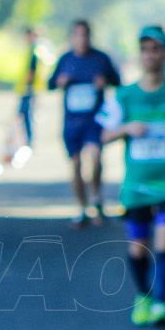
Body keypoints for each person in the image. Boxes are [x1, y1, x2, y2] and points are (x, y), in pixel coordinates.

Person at [98, 25, 165, 327]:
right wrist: (127, 128)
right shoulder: (125, 96)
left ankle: (161, 303)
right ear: (140, 54)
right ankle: (144, 296)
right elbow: (103, 135)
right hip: (136, 184)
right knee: (138, 247)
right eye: (145, 49)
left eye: (156, 49)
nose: (151, 55)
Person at [48, 19, 121, 228]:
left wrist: (104, 82)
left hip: (95, 120)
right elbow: (50, 83)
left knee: (95, 157)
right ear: (72, 37)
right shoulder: (65, 59)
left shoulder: (101, 59)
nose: (82, 39)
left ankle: (97, 200)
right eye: (78, 35)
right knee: (77, 163)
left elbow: (118, 81)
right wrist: (60, 82)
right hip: (72, 122)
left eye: (85, 35)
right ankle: (81, 207)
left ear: (90, 36)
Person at [14, 27, 40, 146]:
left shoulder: (34, 52)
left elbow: (32, 72)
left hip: (29, 89)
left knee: (25, 114)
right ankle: (25, 139)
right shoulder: (30, 50)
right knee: (23, 115)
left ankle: (28, 140)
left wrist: (27, 86)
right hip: (26, 88)